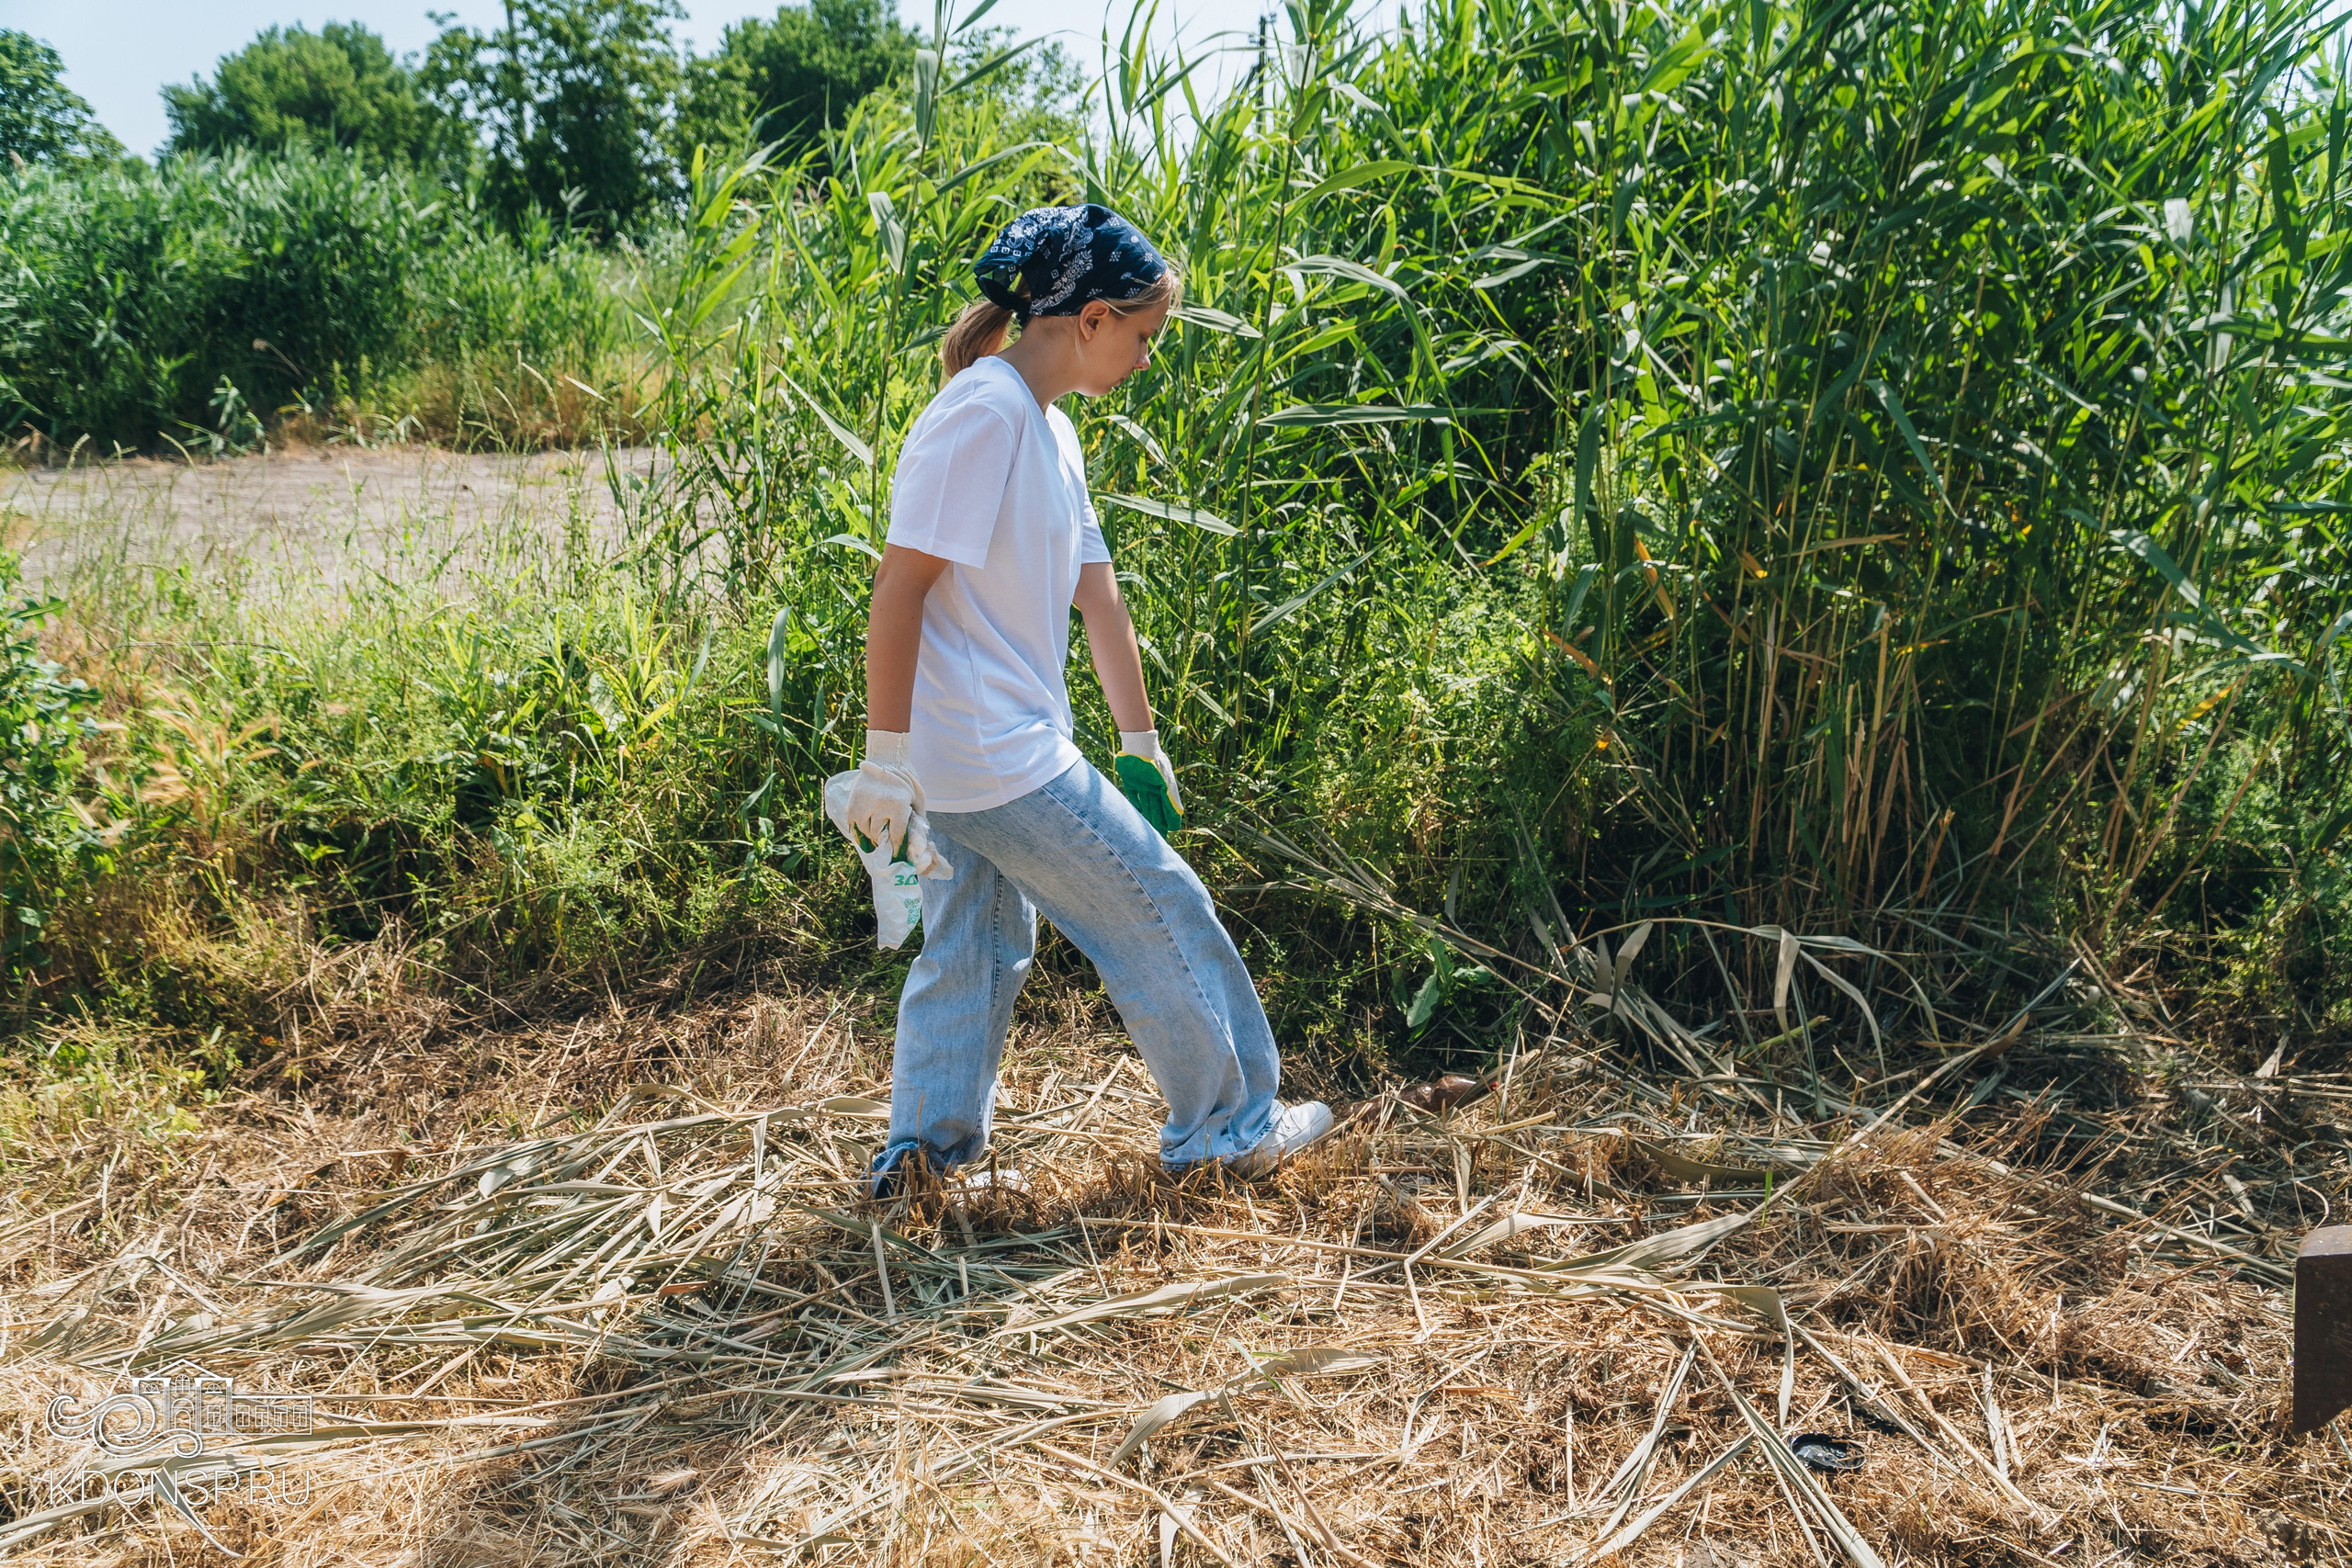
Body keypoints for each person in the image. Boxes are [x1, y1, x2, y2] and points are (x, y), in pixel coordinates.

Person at [837, 202, 1335, 1198]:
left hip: (972, 755)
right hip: (989, 752)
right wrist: (882, 758)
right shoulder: (983, 414)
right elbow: (898, 589)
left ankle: (925, 1160)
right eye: (1144, 335)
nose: (1148, 359)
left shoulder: (1046, 426)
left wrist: (1139, 741)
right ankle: (1228, 1129)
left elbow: (1096, 593)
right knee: (1157, 904)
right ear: (1094, 317)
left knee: (975, 942)